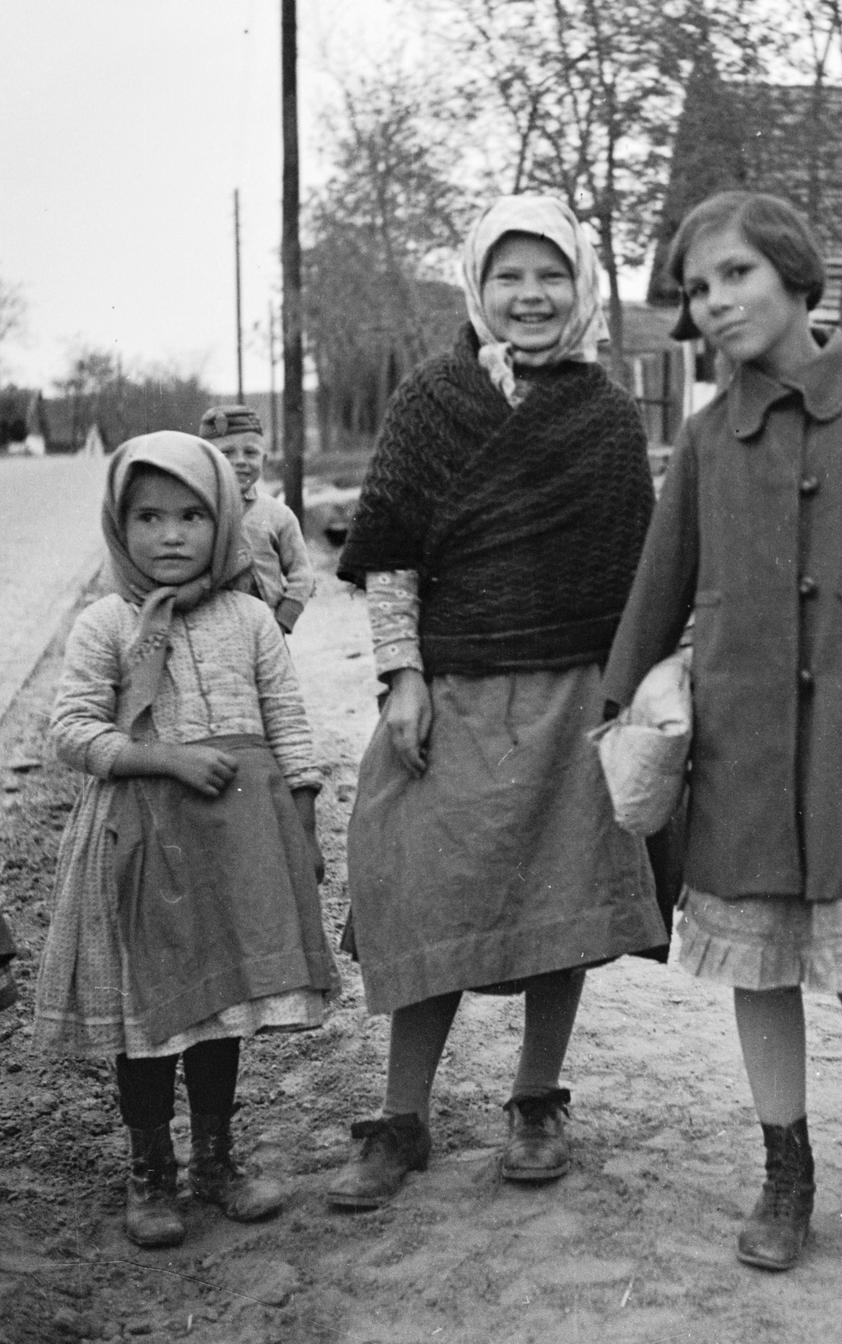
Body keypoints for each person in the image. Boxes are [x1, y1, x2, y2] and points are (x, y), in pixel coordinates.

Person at [604, 191, 842, 1289]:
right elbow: (656, 584)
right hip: (742, 765)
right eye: (695, 287)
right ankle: (787, 1173)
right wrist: (617, 706)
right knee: (757, 974)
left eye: (732, 275)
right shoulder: (706, 437)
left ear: (796, 275)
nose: (713, 303)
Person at [328, 193, 666, 1210]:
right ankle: (400, 1116)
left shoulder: (606, 416)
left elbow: (639, 574)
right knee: (423, 889)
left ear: (580, 286)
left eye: (549, 274)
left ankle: (534, 1100)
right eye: (510, 275)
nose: (530, 294)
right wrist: (403, 677)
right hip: (454, 696)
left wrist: (635, 695)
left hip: (571, 699)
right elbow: (388, 558)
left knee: (558, 901)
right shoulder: (431, 400)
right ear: (478, 284)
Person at [33, 431, 337, 1249]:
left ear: (226, 519)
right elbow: (69, 730)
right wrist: (156, 757)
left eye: (193, 516)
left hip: (235, 845)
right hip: (135, 841)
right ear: (119, 525)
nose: (171, 535)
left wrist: (300, 826)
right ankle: (150, 1170)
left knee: (221, 1010)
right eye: (148, 517)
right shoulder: (106, 623)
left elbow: (290, 727)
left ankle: (215, 1159)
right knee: (149, 1020)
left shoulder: (250, 621)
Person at [199, 404, 316, 634]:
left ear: (264, 458)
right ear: (205, 460)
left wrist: (282, 621)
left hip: (267, 630)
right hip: (211, 634)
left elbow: (302, 575)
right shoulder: (195, 514)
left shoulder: (278, 515)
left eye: (250, 453)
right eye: (226, 453)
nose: (240, 461)